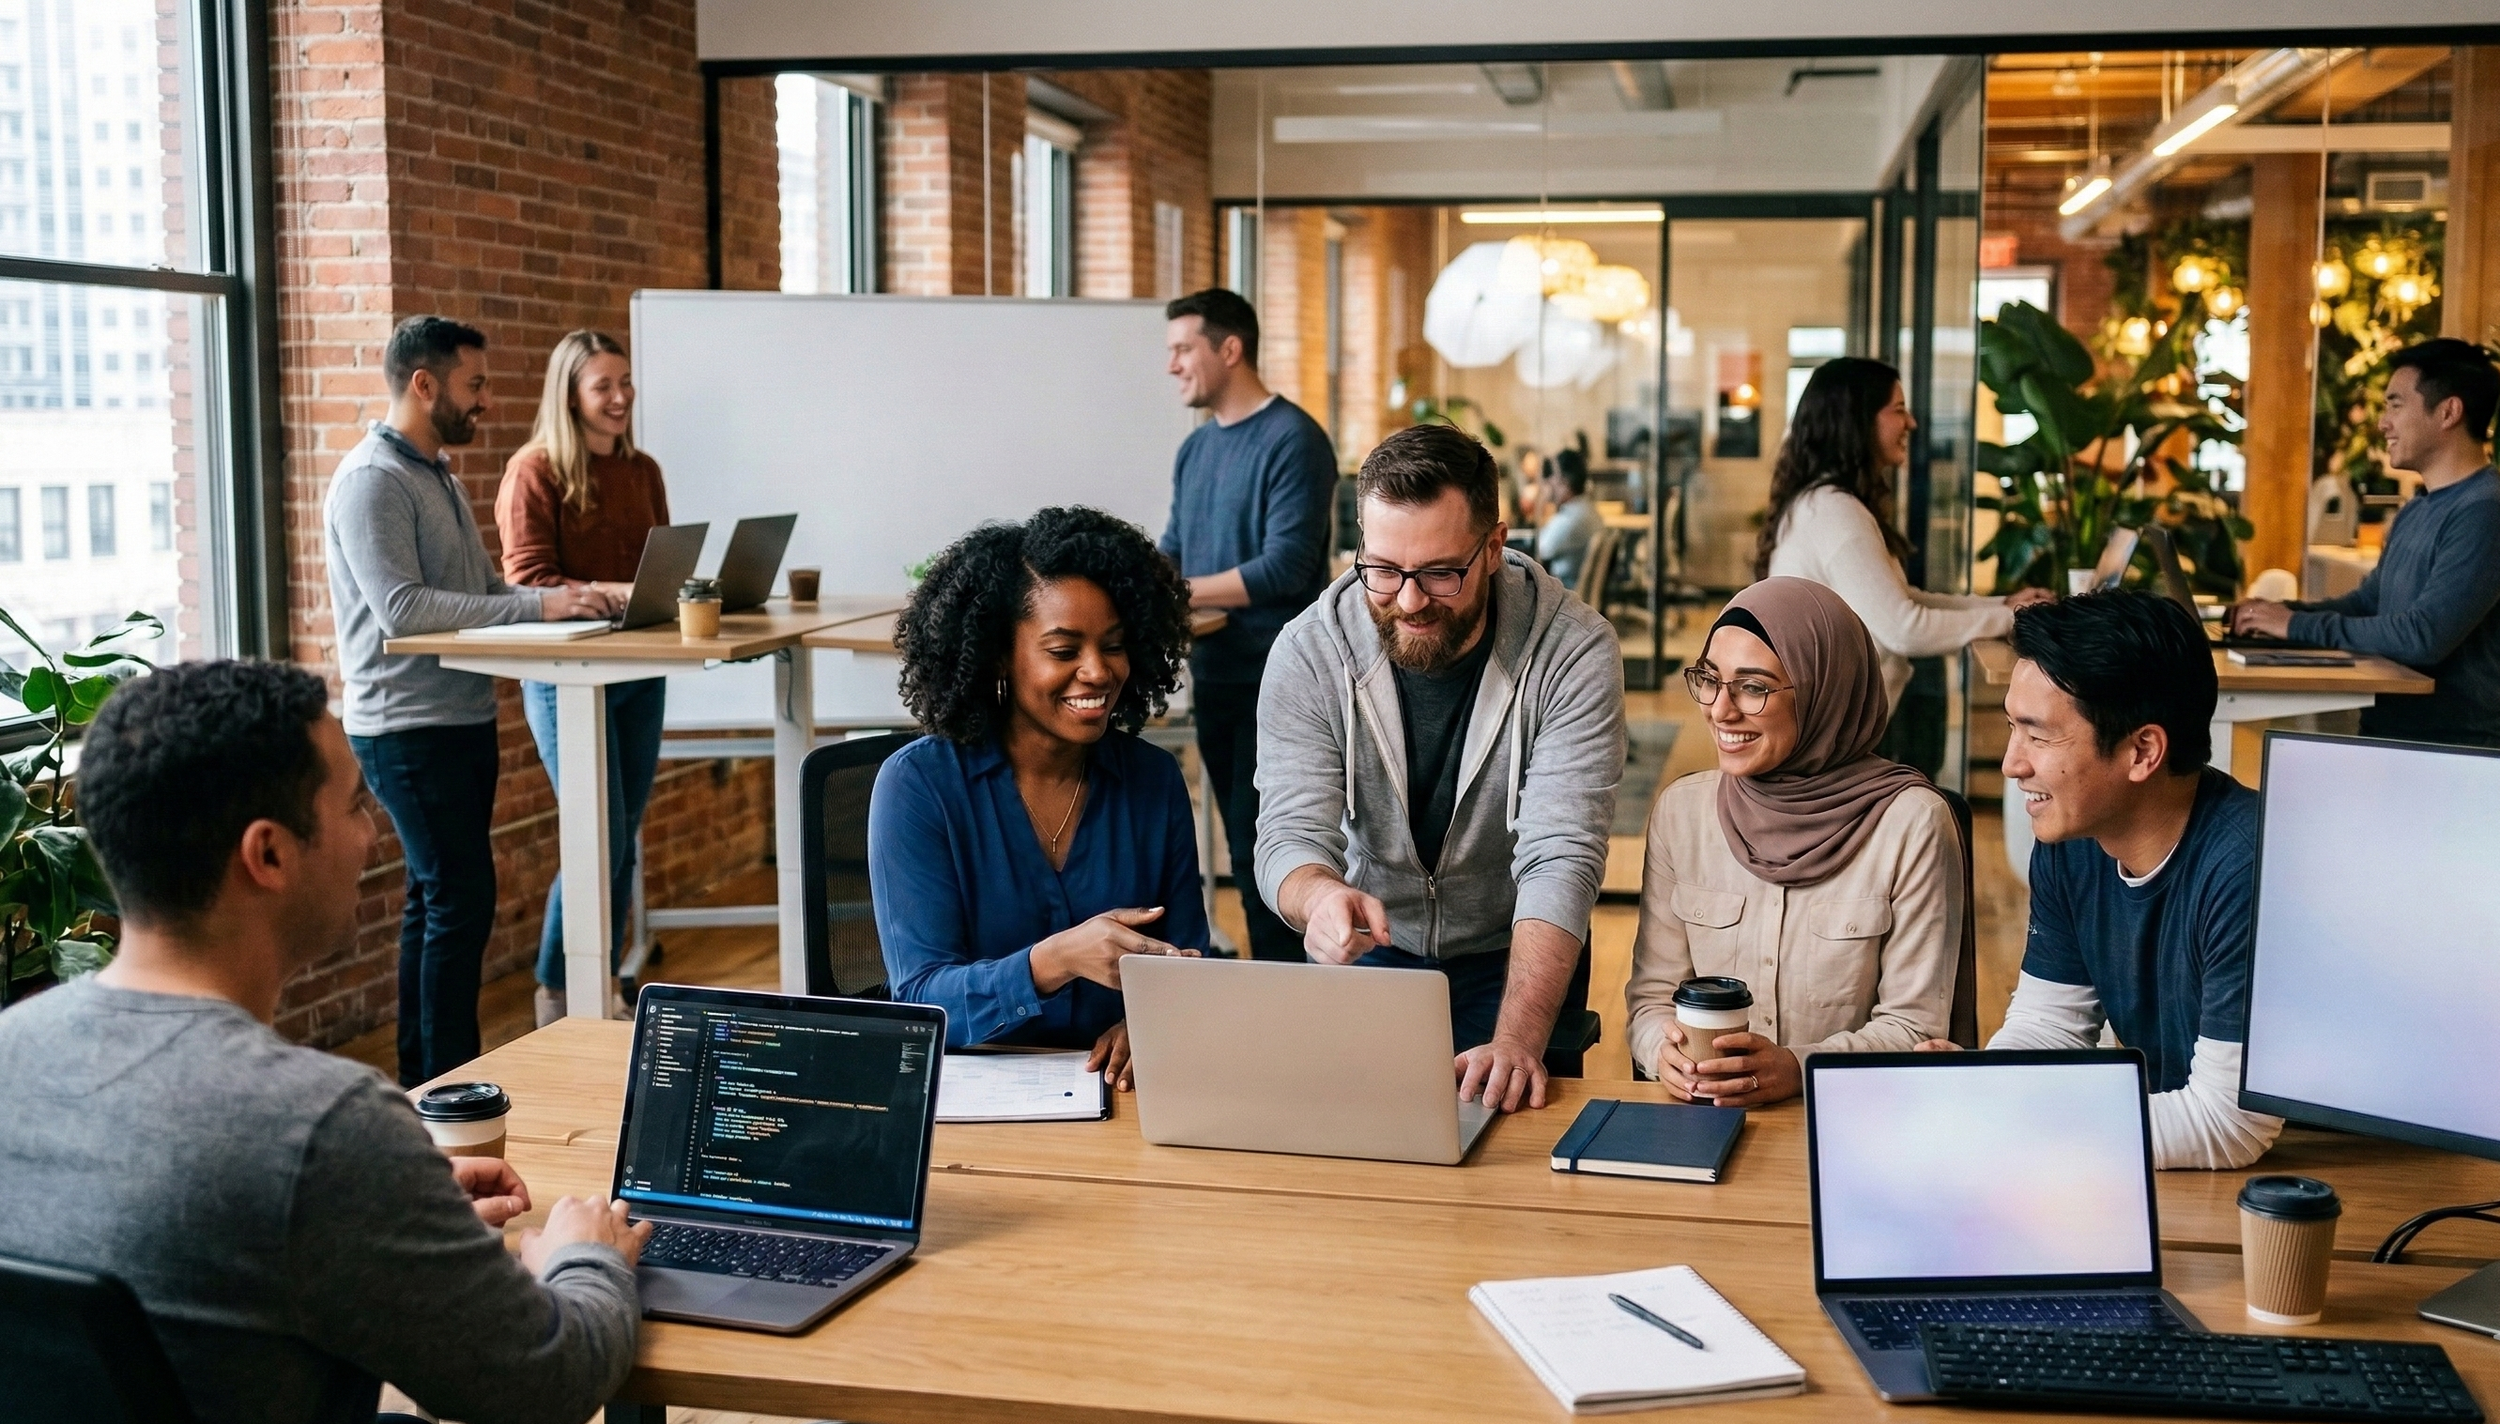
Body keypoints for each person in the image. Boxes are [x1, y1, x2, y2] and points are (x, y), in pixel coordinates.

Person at [0, 660, 648, 1424]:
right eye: (356, 805)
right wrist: (586, 1256)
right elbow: (547, 1383)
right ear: (268, 854)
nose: (374, 836)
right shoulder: (323, 1126)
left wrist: (391, 1214)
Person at [1257, 422, 1626, 1114]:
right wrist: (1318, 898)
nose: (1408, 600)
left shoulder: (1573, 651)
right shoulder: (1310, 650)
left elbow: (1561, 858)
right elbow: (1287, 837)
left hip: (1516, 946)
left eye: (1439, 573)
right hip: (1376, 948)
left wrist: (1518, 1038)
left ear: (1494, 547)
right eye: (1384, 570)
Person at [325, 316, 616, 1085]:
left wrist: (573, 598)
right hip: (404, 726)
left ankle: (431, 1082)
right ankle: (450, 1085)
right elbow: (405, 608)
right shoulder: (371, 481)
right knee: (459, 899)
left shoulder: (438, 475)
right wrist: (540, 609)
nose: (486, 399)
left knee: (440, 898)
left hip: (459, 718)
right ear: (425, 384)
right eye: (475, 383)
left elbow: (485, 593)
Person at [1921, 592, 2283, 1170]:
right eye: (2013, 728)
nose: (2014, 763)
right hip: (2171, 1164)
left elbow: (2229, 1122)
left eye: (2038, 736)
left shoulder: (2251, 869)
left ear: (2142, 751)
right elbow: (2050, 1026)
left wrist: (2023, 1117)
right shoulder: (2075, 841)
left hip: (2310, 1191)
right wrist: (1987, 1085)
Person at [871, 507, 1209, 1088]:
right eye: (1063, 651)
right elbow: (922, 1000)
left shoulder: (1153, 781)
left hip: (1122, 1092)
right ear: (1001, 654)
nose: (1098, 672)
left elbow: (1188, 967)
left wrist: (1151, 1021)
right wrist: (1055, 960)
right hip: (974, 1095)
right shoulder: (919, 787)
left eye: (1115, 646)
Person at [1625, 578, 1962, 1105]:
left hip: (1850, 1120)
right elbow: (1651, 1000)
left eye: (1753, 687)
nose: (1720, 710)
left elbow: (1914, 1028)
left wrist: (1800, 1069)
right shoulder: (1682, 814)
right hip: (1702, 1121)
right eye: (1710, 680)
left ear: (1826, 691)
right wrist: (1661, 1053)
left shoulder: (1912, 824)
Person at [495, 330, 672, 1026]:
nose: (621, 397)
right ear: (570, 395)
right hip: (567, 677)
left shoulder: (643, 470)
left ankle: (599, 982)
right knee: (594, 832)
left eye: (625, 383)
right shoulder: (534, 472)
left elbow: (658, 564)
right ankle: (558, 989)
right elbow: (527, 581)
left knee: (621, 832)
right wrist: (609, 589)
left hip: (640, 666)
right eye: (604, 386)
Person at [1159, 289, 1340, 963]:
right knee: (1242, 848)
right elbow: (1173, 542)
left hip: (1281, 679)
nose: (1172, 365)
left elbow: (1286, 567)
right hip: (1217, 673)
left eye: (1183, 348)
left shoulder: (1294, 439)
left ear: (1228, 349)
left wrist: (1175, 590)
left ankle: (1295, 1004)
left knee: (1275, 845)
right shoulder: (1195, 450)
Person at [2231, 338, 2500, 746]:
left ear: (2448, 412)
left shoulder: (2483, 511)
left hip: (2454, 749)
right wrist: (2278, 616)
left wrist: (2295, 624)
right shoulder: (2420, 507)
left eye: (2395, 405)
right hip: (2392, 735)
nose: (2382, 423)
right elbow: (2366, 603)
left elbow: (2422, 637)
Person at [1759, 356, 2051, 713]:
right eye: (1898, 409)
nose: (1910, 423)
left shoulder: (1823, 503)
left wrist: (2003, 606)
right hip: (1824, 736)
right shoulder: (1835, 513)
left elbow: (1899, 601)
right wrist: (2011, 617)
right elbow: (1904, 628)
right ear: (1859, 420)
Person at [1535, 447, 1601, 589]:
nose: (1549, 482)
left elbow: (1537, 552)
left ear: (1564, 481)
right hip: (1576, 597)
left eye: (1552, 476)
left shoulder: (1569, 520)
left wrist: (1540, 505)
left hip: (1565, 597)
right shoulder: (1587, 510)